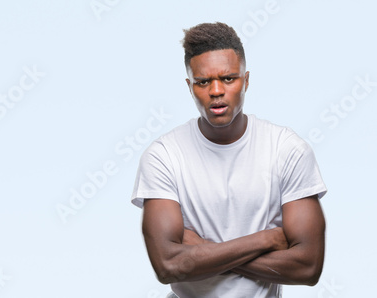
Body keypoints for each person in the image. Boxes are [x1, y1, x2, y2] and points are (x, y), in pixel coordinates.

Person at [130, 22, 327, 298]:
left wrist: (204, 249)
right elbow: (169, 265)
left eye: (228, 78)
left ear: (246, 80)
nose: (215, 91)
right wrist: (267, 239)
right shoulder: (163, 156)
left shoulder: (287, 150)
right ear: (190, 86)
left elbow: (308, 267)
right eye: (203, 82)